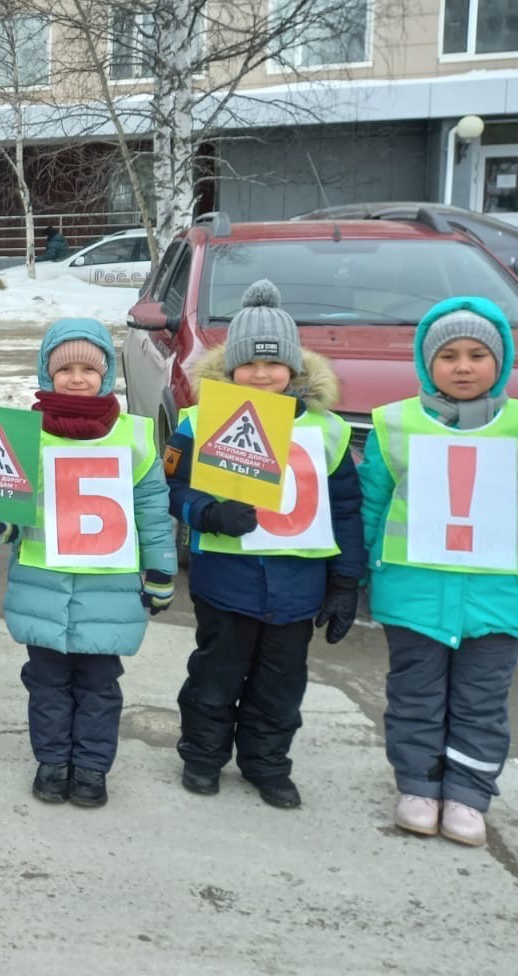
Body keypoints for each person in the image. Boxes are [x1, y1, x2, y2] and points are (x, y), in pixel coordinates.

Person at [165, 281, 365, 810]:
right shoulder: (197, 422)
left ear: (294, 369)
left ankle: (267, 764)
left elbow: (345, 509)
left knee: (280, 687)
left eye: (273, 364)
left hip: (297, 592)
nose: (260, 374)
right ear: (229, 369)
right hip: (226, 586)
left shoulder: (326, 432)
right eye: (248, 364)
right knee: (214, 676)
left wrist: (346, 580)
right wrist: (205, 512)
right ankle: (203, 757)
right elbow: (170, 490)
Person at [0, 320, 177, 807]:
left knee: (99, 687)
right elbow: (12, 510)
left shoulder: (134, 437)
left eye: (89, 368)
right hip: (43, 588)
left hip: (108, 594)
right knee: (46, 684)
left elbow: (152, 511)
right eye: (64, 367)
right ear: (46, 374)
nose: (76, 377)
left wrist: (160, 571)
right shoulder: (24, 436)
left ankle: (90, 767)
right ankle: (51, 761)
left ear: (107, 374)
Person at [360, 296, 518, 847]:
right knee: (415, 696)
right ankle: (419, 786)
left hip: (499, 601)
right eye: (449, 355)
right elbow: (373, 503)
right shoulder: (396, 424)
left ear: (501, 360)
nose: (464, 366)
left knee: (482, 701)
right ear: (429, 364)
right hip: (414, 596)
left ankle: (470, 795)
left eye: (478, 354)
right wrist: (357, 570)